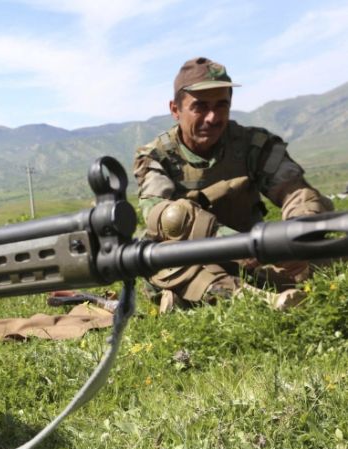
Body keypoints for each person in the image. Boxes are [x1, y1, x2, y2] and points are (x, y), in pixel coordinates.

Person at [133, 57, 334, 311]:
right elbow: (161, 216)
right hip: (195, 258)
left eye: (221, 105)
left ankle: (196, 299)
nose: (212, 117)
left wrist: (297, 238)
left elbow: (296, 192)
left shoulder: (254, 145)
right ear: (175, 109)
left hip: (257, 259)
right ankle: (251, 299)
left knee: (331, 249)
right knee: (162, 256)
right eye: (200, 107)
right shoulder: (156, 157)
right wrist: (239, 245)